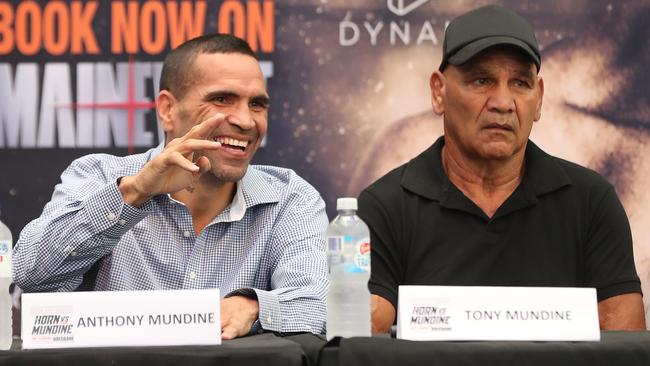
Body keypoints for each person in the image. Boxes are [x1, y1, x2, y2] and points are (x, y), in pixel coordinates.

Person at [12, 34, 329, 339]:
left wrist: (253, 307)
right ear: (167, 109)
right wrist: (134, 194)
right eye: (221, 99)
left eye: (257, 104)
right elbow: (32, 274)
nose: (246, 121)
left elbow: (322, 306)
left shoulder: (289, 198)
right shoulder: (98, 176)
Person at [357, 4, 646, 333]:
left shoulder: (592, 202)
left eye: (520, 83)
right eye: (482, 80)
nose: (503, 102)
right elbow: (363, 340)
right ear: (439, 91)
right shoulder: (383, 206)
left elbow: (626, 344)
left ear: (538, 99)